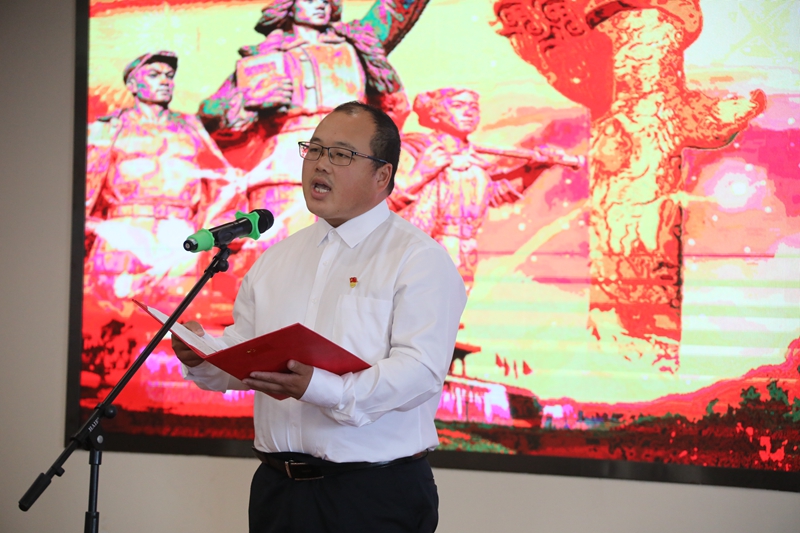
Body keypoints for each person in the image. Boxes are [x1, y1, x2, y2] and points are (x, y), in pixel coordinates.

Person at [172, 101, 467, 532]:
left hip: (372, 496)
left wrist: (324, 388)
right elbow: (247, 355)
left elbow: (420, 371)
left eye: (341, 154)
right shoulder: (276, 260)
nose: (320, 164)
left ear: (382, 175)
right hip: (278, 492)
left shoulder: (418, 259)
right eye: (314, 149)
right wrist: (204, 355)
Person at [197, 0, 429, 276]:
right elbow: (210, 113)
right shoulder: (262, 58)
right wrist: (247, 100)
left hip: (349, 160)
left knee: (350, 263)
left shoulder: (356, 43)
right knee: (281, 263)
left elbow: (396, 8)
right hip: (284, 167)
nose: (321, 5)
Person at [83, 51, 240, 381]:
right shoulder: (107, 128)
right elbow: (83, 186)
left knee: (175, 327)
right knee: (113, 326)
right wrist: (94, 228)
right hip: (122, 233)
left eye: (169, 75)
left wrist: (213, 228)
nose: (165, 81)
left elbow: (223, 178)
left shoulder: (190, 126)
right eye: (154, 74)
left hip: (178, 235)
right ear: (132, 83)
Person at [392, 87, 582, 293]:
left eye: (474, 107)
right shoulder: (413, 150)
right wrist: (420, 174)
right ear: (435, 115)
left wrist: (534, 169)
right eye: (458, 106)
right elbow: (381, 201)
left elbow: (497, 194)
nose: (469, 112)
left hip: (465, 251)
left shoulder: (476, 162)